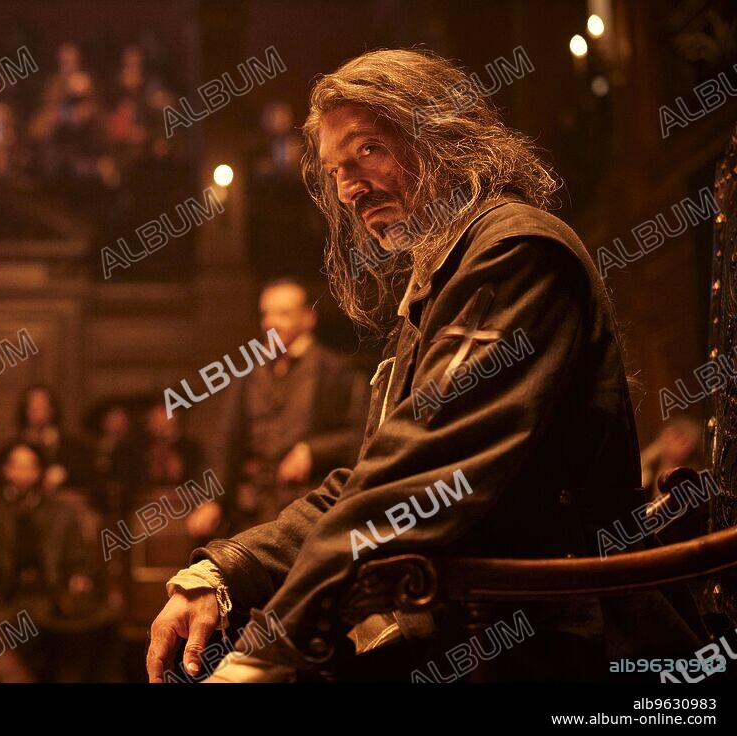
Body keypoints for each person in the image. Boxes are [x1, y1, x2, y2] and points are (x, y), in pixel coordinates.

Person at [146, 48, 703, 683]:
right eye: (336, 171)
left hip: (543, 645)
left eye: (369, 151)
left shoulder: (515, 253)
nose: (350, 186)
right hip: (468, 627)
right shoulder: (443, 281)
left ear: (440, 136)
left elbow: (427, 461)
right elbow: (366, 479)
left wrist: (280, 639)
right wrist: (220, 572)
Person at [198, 278, 367, 537]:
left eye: (283, 313)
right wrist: (213, 500)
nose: (270, 323)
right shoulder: (248, 372)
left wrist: (312, 451)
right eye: (266, 313)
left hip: (310, 510)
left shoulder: (338, 372)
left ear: (308, 318)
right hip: (252, 510)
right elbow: (228, 441)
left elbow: (361, 436)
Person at [0, 442, 109, 681]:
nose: (22, 473)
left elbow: (80, 559)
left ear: (39, 471)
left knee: (90, 631)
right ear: (6, 470)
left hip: (54, 597)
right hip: (10, 600)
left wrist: (79, 578)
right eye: (16, 466)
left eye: (29, 466)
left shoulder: (61, 514)